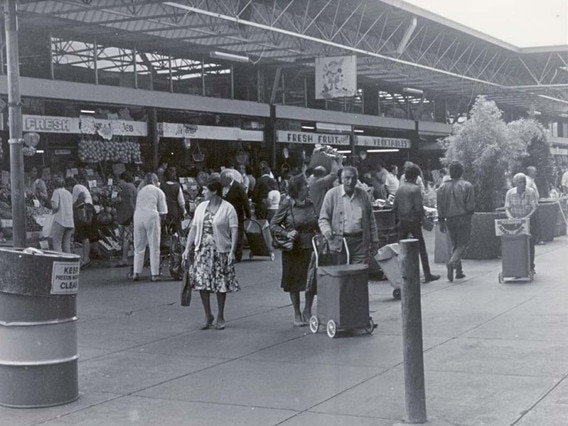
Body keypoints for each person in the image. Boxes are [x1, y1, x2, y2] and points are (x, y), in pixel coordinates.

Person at [183, 179, 240, 330]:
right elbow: (194, 228)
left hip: (220, 250)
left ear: (214, 191)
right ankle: (208, 315)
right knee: (202, 283)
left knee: (220, 284)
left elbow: (234, 230)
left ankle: (221, 315)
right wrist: (187, 248)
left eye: (205, 190)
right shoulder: (201, 207)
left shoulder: (228, 208)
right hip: (202, 251)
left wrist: (232, 251)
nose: (203, 192)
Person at [270, 174, 319, 326]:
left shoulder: (310, 204)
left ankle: (308, 310)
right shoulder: (286, 204)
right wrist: (286, 233)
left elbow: (316, 223)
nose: (308, 187)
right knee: (294, 282)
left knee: (311, 280)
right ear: (297, 189)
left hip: (310, 247)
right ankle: (297, 313)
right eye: (305, 185)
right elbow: (273, 225)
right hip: (293, 248)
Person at [319, 166, 380, 265]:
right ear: (341, 179)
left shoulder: (363, 195)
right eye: (347, 178)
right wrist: (326, 230)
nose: (350, 181)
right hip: (339, 243)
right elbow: (323, 218)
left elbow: (371, 220)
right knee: (342, 275)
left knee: (359, 274)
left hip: (360, 243)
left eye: (354, 178)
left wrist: (375, 240)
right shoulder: (331, 195)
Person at [393, 164, 440, 283]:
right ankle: (427, 273)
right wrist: (423, 219)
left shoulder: (399, 189)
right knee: (422, 249)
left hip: (402, 222)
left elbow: (395, 207)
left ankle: (400, 274)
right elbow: (419, 208)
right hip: (413, 222)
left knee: (400, 249)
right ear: (415, 177)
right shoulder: (415, 189)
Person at [437, 161, 475, 282]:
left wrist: (441, 221)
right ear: (461, 172)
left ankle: (459, 271)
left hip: (449, 219)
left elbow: (440, 206)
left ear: (450, 172)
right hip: (463, 218)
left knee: (455, 245)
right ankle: (452, 263)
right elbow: (470, 206)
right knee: (462, 245)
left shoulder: (442, 187)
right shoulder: (467, 185)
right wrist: (469, 216)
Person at [129, 173, 167, 282]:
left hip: (138, 216)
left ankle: (136, 272)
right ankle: (154, 274)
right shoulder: (158, 191)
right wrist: (162, 224)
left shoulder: (140, 191)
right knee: (154, 246)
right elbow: (163, 212)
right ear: (156, 181)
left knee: (139, 246)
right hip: (151, 216)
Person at [504, 173, 538, 274]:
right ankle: (516, 266)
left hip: (528, 220)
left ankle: (531, 266)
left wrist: (527, 217)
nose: (521, 184)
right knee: (514, 242)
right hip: (515, 221)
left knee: (529, 242)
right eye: (519, 182)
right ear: (515, 183)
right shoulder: (510, 193)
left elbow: (534, 207)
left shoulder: (530, 192)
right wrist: (510, 218)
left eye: (523, 182)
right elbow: (507, 208)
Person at [220, 169, 251, 263]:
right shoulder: (224, 187)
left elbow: (245, 201)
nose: (221, 181)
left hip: (237, 214)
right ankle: (229, 254)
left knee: (237, 234)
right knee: (228, 234)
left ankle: (238, 255)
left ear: (227, 179)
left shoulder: (238, 187)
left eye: (222, 179)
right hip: (226, 215)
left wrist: (248, 215)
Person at [68, 177, 95, 268]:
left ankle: (86, 259)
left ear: (70, 185)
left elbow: (82, 196)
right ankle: (86, 258)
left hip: (84, 211)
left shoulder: (77, 187)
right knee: (85, 235)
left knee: (84, 235)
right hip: (88, 210)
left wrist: (75, 206)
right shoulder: (80, 187)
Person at [115, 172, 138, 267]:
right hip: (131, 216)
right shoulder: (132, 187)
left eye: (120, 180)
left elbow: (129, 203)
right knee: (131, 238)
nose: (119, 182)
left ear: (123, 179)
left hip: (129, 217)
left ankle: (124, 259)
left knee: (127, 238)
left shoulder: (127, 187)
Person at [50, 176, 74, 253]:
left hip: (60, 220)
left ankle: (59, 261)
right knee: (66, 244)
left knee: (57, 243)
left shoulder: (56, 192)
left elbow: (55, 207)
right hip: (70, 222)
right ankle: (68, 262)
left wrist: (51, 213)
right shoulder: (68, 193)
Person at [161, 167, 186, 234]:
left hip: (163, 213)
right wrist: (183, 212)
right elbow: (181, 203)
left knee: (163, 233)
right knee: (174, 233)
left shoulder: (161, 186)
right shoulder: (177, 187)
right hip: (174, 214)